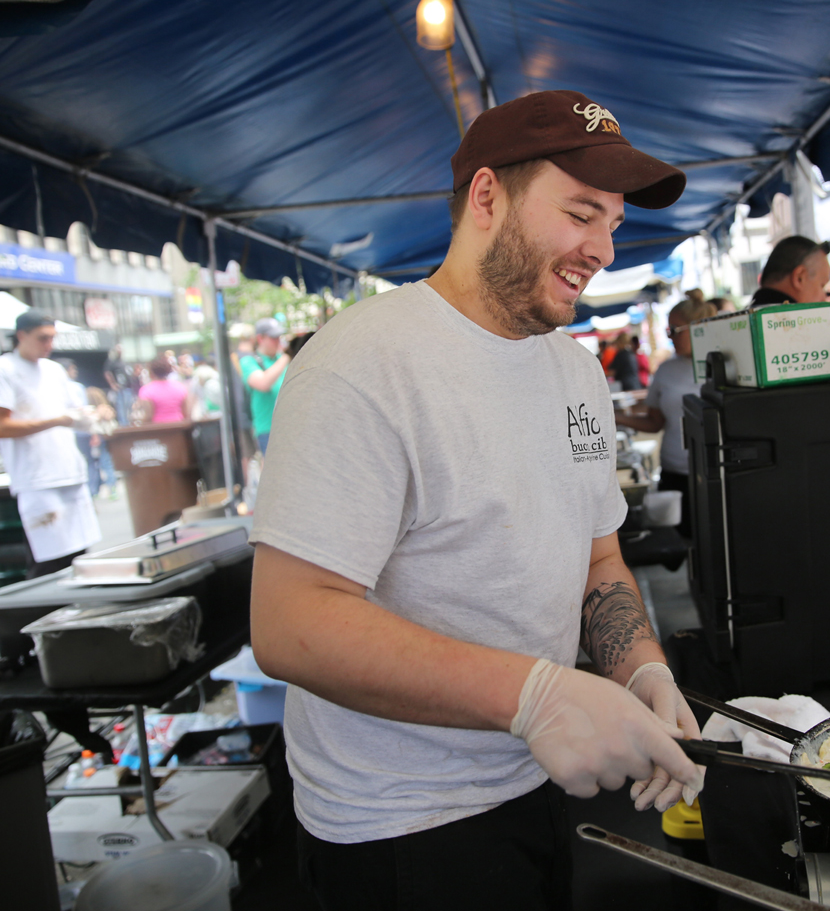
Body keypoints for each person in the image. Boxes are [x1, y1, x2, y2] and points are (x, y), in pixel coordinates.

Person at [248, 89, 703, 911]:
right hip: (398, 825)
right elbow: (291, 623)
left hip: (534, 783)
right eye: (580, 213)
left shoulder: (572, 369)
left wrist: (641, 670)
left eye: (613, 222)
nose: (603, 247)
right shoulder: (362, 365)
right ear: (488, 197)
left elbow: (596, 553)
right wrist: (535, 694)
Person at [0, 311, 101, 577]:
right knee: (48, 565)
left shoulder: (54, 370)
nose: (49, 345)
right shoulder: (5, 368)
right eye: (42, 338)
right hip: (36, 478)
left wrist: (93, 416)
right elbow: (2, 426)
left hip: (69, 471)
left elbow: (73, 414)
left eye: (52, 338)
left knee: (79, 559)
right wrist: (57, 421)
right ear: (21, 336)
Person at [615, 296, 717, 538]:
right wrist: (616, 417)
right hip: (675, 470)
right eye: (668, 331)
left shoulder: (723, 365)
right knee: (681, 538)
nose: (671, 337)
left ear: (699, 327)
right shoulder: (666, 370)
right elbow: (655, 422)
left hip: (714, 469)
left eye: (676, 330)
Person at [239, 317, 289, 455]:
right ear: (260, 339)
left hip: (291, 425)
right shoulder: (249, 361)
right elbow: (263, 383)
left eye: (279, 337)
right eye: (273, 337)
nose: (277, 341)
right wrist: (287, 356)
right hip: (268, 429)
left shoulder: (282, 359)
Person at [748, 236, 830, 308]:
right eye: (822, 285)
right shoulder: (794, 323)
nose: (824, 299)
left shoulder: (744, 318)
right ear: (799, 278)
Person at [135, 356, 191, 423]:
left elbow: (148, 416)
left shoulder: (146, 390)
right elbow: (187, 413)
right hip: (178, 429)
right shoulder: (180, 387)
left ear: (151, 372)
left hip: (157, 430)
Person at [85, 386, 118, 500]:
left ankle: (94, 490)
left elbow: (93, 424)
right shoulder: (107, 407)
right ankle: (112, 488)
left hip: (98, 436)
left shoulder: (94, 410)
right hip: (107, 435)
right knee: (107, 462)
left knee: (94, 463)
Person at [104, 344, 133, 426]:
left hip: (128, 388)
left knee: (129, 407)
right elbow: (107, 373)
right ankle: (123, 425)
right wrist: (112, 384)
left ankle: (128, 424)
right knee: (121, 408)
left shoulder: (124, 362)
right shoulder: (112, 362)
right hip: (120, 389)